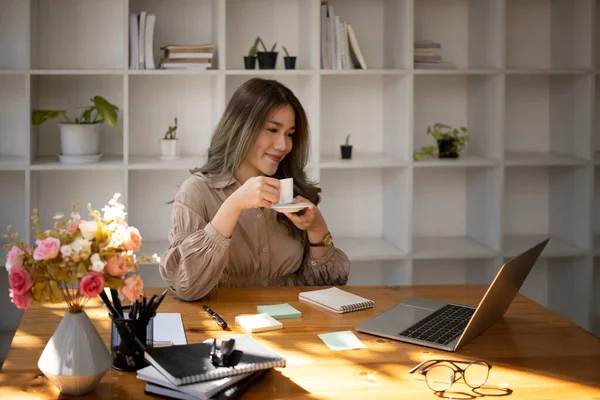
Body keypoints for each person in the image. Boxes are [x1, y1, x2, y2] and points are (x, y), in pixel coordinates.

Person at [159, 78, 350, 301]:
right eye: (272, 129)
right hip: (224, 326)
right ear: (241, 128)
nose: (283, 145)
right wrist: (233, 205)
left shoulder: (289, 190)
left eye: (289, 134)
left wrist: (317, 230)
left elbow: (327, 289)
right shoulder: (197, 191)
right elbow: (186, 287)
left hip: (292, 324)